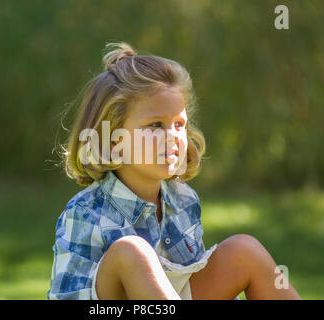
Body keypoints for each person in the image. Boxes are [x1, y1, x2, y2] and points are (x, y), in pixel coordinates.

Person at [47, 42, 301, 300]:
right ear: (114, 140)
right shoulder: (86, 213)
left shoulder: (182, 199)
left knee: (244, 250)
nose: (172, 137)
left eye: (179, 124)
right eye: (155, 125)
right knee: (132, 251)